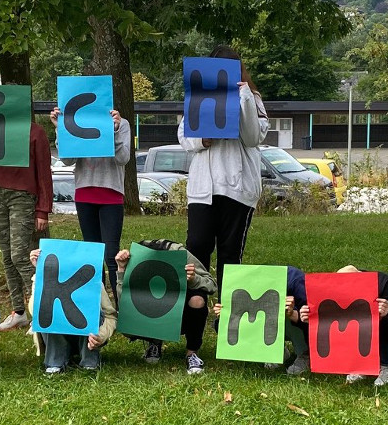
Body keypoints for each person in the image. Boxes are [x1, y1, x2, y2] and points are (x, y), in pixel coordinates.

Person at [178, 45, 268, 287]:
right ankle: (196, 304)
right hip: (203, 189)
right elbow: (184, 135)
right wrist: (201, 140)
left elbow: (252, 137)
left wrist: (245, 97)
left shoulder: (252, 98)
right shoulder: (198, 96)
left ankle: (226, 314)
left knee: (230, 253)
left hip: (236, 188)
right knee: (196, 247)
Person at [0, 86, 53, 332]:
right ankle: (19, 311)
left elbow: (45, 173)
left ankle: (42, 310)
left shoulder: (35, 132)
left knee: (20, 255)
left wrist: (42, 209)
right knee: (6, 254)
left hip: (23, 196)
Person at [48, 106, 131, 289]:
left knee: (111, 255)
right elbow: (68, 160)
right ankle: (98, 311)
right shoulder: (79, 124)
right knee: (92, 256)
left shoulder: (122, 124)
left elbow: (123, 158)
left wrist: (115, 132)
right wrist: (60, 128)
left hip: (111, 194)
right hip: (85, 194)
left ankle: (119, 309)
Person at [297, 266, 388, 385]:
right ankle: (361, 364)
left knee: (372, 321)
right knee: (354, 321)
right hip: (367, 324)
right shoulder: (334, 292)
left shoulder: (384, 284)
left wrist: (384, 317)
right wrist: (312, 319)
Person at [114, 239, 217, 374]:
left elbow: (211, 284)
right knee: (128, 321)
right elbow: (125, 304)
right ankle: (155, 342)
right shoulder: (135, 259)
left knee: (197, 300)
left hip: (181, 313)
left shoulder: (180, 253)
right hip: (152, 311)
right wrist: (121, 269)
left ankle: (192, 353)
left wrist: (193, 279)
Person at [28, 248, 118, 374]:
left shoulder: (94, 283)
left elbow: (110, 316)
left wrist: (101, 336)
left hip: (86, 338)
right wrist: (40, 273)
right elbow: (35, 311)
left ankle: (89, 360)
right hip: (56, 334)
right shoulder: (45, 279)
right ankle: (55, 361)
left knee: (94, 311)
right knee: (48, 310)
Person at [213, 266, 309, 375]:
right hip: (268, 321)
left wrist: (293, 313)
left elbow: (315, 322)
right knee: (223, 323)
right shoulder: (243, 285)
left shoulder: (295, 281)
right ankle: (275, 350)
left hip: (295, 324)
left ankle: (305, 353)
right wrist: (226, 314)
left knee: (291, 313)